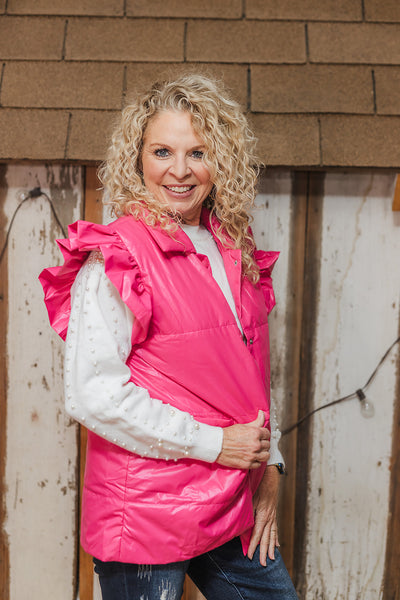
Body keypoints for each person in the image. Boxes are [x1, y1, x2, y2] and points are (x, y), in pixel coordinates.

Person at [40, 74, 298, 599]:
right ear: (138, 159)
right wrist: (217, 444)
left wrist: (266, 463)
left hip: (228, 496)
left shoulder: (232, 245)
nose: (179, 171)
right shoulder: (117, 255)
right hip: (145, 512)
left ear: (222, 160)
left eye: (198, 152)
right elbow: (94, 393)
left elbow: (245, 370)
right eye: (162, 151)